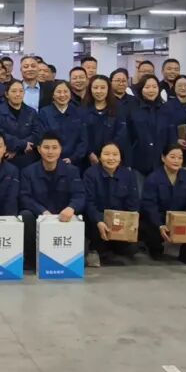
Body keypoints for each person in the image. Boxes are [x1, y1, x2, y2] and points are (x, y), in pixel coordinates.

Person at [19, 133, 86, 269]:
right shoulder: (28, 172)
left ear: (61, 149)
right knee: (25, 215)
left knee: (81, 214)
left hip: (64, 217)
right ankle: (31, 258)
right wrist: (42, 211)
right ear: (39, 149)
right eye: (46, 147)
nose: (50, 152)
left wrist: (71, 208)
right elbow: (24, 197)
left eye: (54, 147)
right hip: (40, 217)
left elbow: (79, 195)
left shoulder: (72, 171)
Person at [140, 145, 186, 266]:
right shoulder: (153, 178)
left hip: (181, 217)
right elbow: (149, 205)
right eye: (172, 157)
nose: (176, 160)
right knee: (148, 223)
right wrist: (160, 225)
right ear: (163, 158)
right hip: (160, 217)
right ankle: (154, 248)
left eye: (180, 157)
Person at [82, 142, 140, 267]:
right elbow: (88, 202)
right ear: (99, 156)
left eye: (115, 154)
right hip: (98, 221)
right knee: (98, 240)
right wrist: (99, 221)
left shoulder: (128, 174)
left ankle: (113, 250)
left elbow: (133, 201)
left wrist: (130, 222)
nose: (111, 158)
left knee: (131, 249)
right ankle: (99, 250)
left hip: (120, 222)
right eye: (106, 154)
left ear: (120, 157)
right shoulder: (90, 174)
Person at [0, 80, 40, 168]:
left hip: (27, 157)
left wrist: (18, 149)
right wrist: (22, 144)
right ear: (7, 94)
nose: (18, 94)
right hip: (6, 157)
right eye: (14, 91)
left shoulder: (31, 112)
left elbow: (37, 134)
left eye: (21, 91)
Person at [126, 75, 168, 180]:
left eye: (154, 87)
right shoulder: (132, 109)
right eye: (147, 87)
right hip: (137, 163)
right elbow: (126, 137)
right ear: (141, 89)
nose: (151, 90)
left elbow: (170, 135)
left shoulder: (165, 109)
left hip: (161, 163)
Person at [37, 81, 87, 166]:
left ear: (70, 93)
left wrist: (73, 158)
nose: (62, 95)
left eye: (65, 91)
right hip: (50, 161)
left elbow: (83, 140)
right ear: (53, 95)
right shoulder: (44, 113)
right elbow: (41, 137)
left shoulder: (78, 112)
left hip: (74, 162)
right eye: (59, 92)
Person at [83, 75, 126, 169]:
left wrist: (107, 154)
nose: (99, 91)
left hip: (112, 158)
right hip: (87, 160)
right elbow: (82, 135)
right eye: (95, 87)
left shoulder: (118, 109)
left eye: (103, 88)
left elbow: (120, 135)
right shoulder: (82, 110)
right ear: (90, 89)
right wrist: (89, 153)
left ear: (108, 89)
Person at [159, 75, 186, 166]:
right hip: (174, 150)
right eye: (179, 85)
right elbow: (164, 128)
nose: (183, 88)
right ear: (174, 88)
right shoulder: (166, 107)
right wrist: (176, 140)